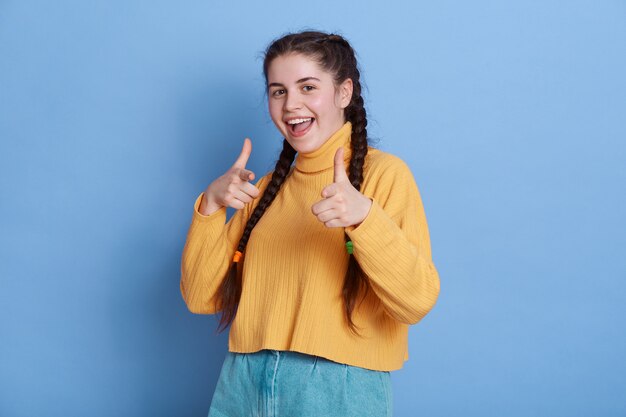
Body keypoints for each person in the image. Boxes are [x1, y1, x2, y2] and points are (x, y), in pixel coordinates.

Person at [180, 29, 441, 417]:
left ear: (344, 93)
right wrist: (210, 207)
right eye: (278, 90)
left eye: (307, 87)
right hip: (243, 381)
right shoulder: (266, 191)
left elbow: (417, 301)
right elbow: (201, 297)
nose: (290, 105)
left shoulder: (384, 176)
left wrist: (364, 218)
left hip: (338, 387)